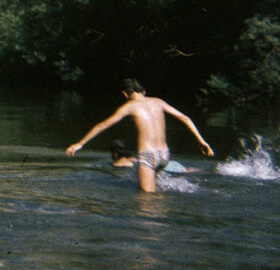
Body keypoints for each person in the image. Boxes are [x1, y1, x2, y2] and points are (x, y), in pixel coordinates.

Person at [66, 78, 214, 192]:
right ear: (143, 91)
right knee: (155, 190)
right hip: (164, 154)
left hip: (148, 156)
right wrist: (201, 141)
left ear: (125, 94)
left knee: (146, 199)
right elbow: (185, 118)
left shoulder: (129, 107)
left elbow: (102, 125)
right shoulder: (159, 102)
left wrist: (80, 143)